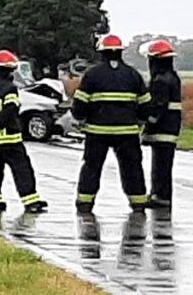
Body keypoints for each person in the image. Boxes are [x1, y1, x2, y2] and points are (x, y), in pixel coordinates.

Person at [72, 34, 151, 213]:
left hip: (97, 132)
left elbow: (79, 105)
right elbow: (146, 105)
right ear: (121, 52)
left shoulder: (92, 75)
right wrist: (138, 121)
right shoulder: (133, 75)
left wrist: (80, 119)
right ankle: (138, 202)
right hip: (127, 133)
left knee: (92, 167)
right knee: (132, 167)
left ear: (102, 52)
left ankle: (85, 202)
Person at [0, 50, 48, 213]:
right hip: (9, 141)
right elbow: (9, 111)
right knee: (22, 170)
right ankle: (30, 201)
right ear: (11, 70)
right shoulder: (10, 89)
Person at [142, 39, 182, 209]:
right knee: (164, 165)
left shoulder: (160, 80)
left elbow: (157, 108)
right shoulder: (173, 77)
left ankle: (160, 196)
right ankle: (161, 195)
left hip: (162, 129)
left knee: (160, 166)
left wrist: (147, 128)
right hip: (171, 127)